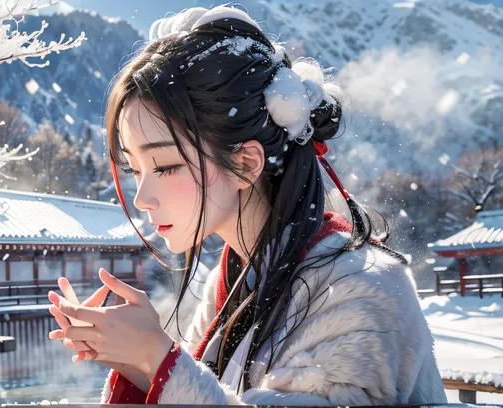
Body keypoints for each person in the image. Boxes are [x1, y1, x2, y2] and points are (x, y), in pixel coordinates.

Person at [47, 5, 447, 406]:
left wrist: (157, 359)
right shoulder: (232, 274)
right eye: (135, 169)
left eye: (165, 166)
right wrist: (136, 360)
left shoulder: (364, 289)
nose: (141, 197)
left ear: (245, 164)